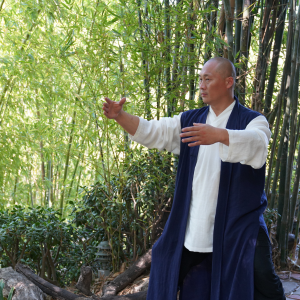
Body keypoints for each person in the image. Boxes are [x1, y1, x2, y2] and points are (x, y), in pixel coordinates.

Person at [102, 57, 285, 300]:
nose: (201, 85)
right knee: (171, 267)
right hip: (195, 223)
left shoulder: (252, 120)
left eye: (208, 79)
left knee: (262, 276)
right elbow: (154, 131)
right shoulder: (190, 120)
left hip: (239, 224)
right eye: (200, 79)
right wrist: (120, 116)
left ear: (229, 82)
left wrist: (220, 135)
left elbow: (258, 145)